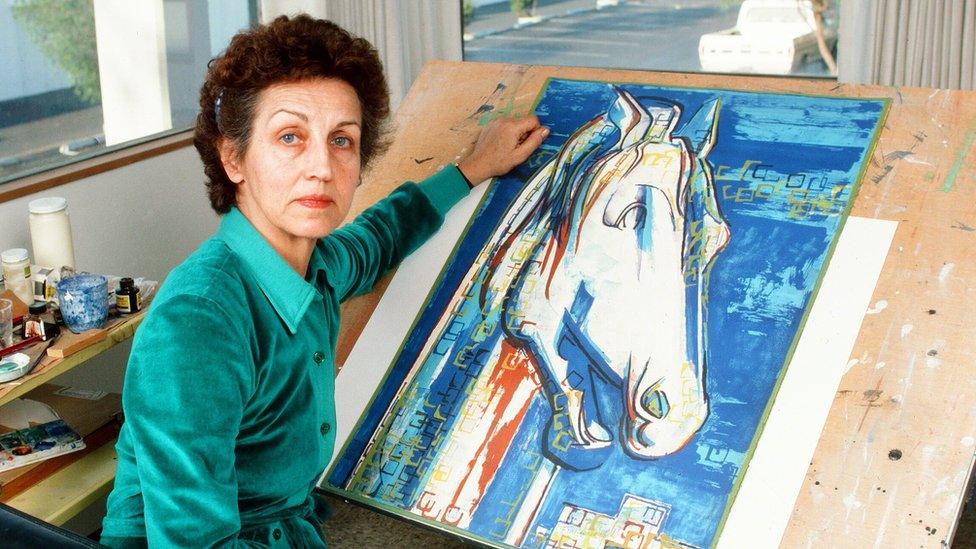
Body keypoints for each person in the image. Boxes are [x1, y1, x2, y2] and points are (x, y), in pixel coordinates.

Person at [99, 14, 548, 548]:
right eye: (290, 136)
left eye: (342, 140)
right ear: (234, 158)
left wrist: (472, 167)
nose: (322, 166)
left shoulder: (315, 263)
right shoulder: (199, 318)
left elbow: (378, 237)